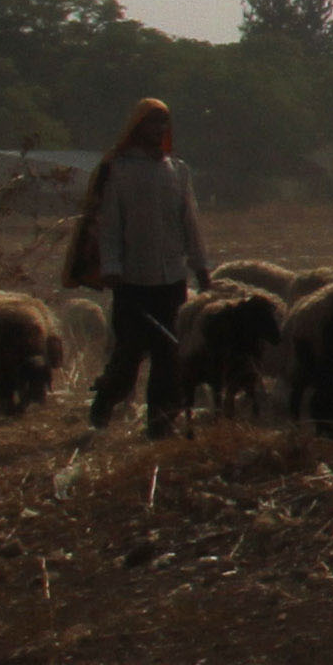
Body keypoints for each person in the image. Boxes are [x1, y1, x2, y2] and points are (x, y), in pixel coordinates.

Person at [76, 98, 210, 438]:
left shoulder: (178, 170)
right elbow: (110, 226)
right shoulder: (119, 169)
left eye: (164, 123)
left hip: (171, 280)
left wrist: (201, 268)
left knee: (169, 355)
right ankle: (103, 407)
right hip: (133, 281)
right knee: (129, 356)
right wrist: (112, 267)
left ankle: (160, 427)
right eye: (153, 123)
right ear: (138, 127)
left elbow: (189, 223)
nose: (160, 129)